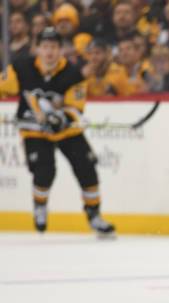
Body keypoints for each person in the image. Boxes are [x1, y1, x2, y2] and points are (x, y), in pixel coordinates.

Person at [0, 28, 115, 236]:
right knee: (44, 171)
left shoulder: (73, 73)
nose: (49, 52)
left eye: (53, 47)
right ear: (37, 49)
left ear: (61, 49)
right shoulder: (21, 67)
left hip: (66, 131)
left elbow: (75, 108)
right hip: (34, 131)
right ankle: (40, 206)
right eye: (45, 47)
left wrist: (61, 118)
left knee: (86, 167)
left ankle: (94, 215)